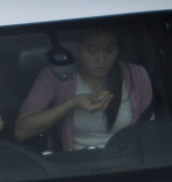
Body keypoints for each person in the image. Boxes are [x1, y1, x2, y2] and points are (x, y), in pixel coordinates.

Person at [15, 25, 152, 151]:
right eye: (92, 51)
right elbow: (21, 131)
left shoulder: (135, 75)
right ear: (77, 48)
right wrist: (72, 104)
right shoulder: (56, 76)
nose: (101, 59)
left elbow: (149, 129)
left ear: (118, 48)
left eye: (109, 50)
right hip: (80, 166)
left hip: (129, 163)